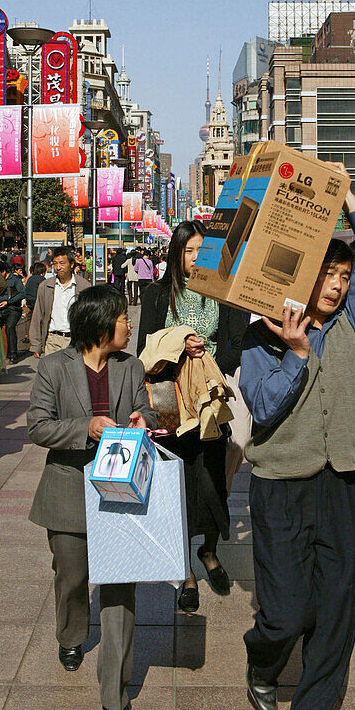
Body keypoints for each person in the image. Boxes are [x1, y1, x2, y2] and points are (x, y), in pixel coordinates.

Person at [239, 168, 355, 710]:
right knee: (284, 612)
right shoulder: (261, 337)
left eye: (342, 275)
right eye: (326, 274)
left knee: (336, 607)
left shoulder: (352, 320)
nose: (336, 283)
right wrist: (298, 355)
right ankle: (262, 658)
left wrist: (346, 196)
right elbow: (264, 406)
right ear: (305, 277)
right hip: (279, 485)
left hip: (340, 482)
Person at [27, 285, 156, 710]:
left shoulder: (131, 365)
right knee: (72, 577)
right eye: (122, 317)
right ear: (101, 324)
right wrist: (87, 427)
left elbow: (146, 411)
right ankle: (71, 635)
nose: (129, 323)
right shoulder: (52, 367)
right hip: (68, 490)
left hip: (121, 494)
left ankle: (116, 695)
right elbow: (38, 427)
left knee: (122, 593)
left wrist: (144, 420)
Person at [138, 221, 247, 613]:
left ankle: (210, 551)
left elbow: (238, 347)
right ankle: (184, 571)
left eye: (203, 250)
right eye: (189, 251)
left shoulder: (226, 295)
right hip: (168, 399)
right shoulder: (157, 294)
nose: (196, 257)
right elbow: (144, 350)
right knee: (176, 486)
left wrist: (209, 361)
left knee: (213, 479)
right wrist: (179, 348)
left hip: (208, 397)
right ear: (176, 254)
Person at [29, 247, 91, 357]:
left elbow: (90, 317)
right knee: (52, 373)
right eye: (55, 263)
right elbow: (38, 315)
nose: (58, 267)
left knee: (74, 374)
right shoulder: (46, 286)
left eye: (62, 263)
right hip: (52, 339)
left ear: (71, 264)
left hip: (75, 340)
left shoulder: (84, 286)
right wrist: (36, 344)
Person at [0, 263, 26, 363]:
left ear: (4, 272)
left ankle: (13, 354)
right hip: (0, 309)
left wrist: (8, 302)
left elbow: (23, 293)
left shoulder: (14, 279)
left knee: (10, 327)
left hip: (13, 309)